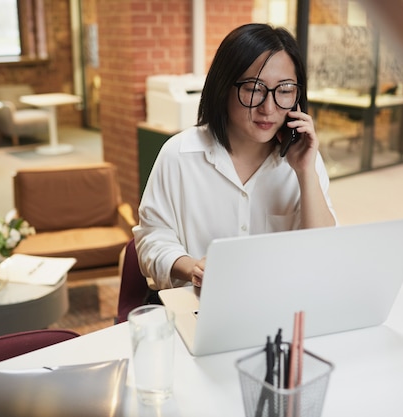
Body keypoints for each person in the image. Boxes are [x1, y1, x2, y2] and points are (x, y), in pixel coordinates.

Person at [133, 23, 337, 290]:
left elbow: (324, 254)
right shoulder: (179, 154)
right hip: (197, 305)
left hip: (278, 304)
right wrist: (192, 267)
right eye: (254, 89)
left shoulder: (304, 159)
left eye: (285, 90)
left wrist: (305, 171)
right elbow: (152, 239)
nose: (269, 107)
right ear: (223, 87)